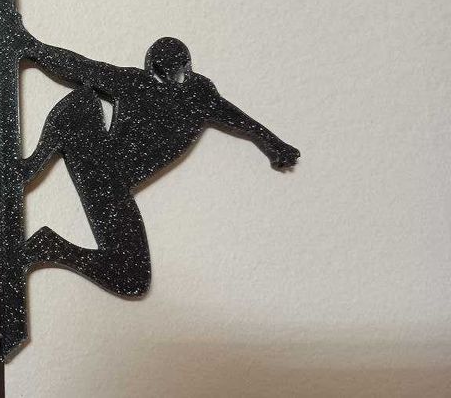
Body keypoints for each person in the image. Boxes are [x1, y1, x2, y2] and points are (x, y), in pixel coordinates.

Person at [20, 36, 300, 296]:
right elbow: (81, 66)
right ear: (151, 69)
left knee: (133, 279)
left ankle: (50, 246)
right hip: (98, 161)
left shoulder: (200, 96)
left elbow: (237, 118)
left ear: (186, 70)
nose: (167, 81)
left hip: (116, 187)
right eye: (160, 74)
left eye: (176, 74)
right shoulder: (134, 82)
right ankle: (32, 165)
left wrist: (274, 143)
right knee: (83, 100)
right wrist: (33, 47)